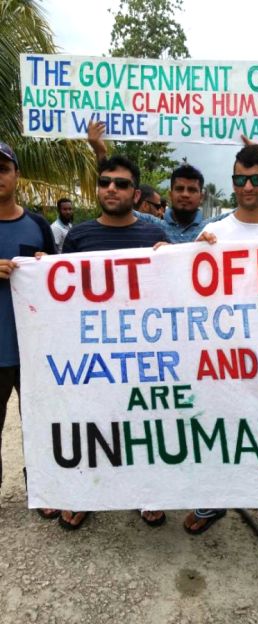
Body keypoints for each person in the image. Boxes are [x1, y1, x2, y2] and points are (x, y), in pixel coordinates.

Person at [184, 144, 258, 539]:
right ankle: (214, 497)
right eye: (239, 179)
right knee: (218, 427)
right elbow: (187, 291)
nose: (247, 187)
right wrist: (170, 259)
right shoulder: (212, 233)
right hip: (222, 358)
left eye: (255, 179)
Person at [59, 154, 170, 530]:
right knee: (92, 423)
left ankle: (146, 493)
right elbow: (59, 292)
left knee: (142, 422)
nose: (111, 188)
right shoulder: (79, 235)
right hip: (92, 352)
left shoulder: (155, 236)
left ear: (135, 193)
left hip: (143, 352)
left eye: (121, 184)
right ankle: (88, 494)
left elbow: (174, 289)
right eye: (105, 181)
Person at [0, 142, 57, 518]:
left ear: (17, 174)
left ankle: (44, 489)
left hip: (34, 351)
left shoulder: (38, 225)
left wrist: (47, 266)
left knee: (40, 425)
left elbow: (61, 279)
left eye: (3, 168)